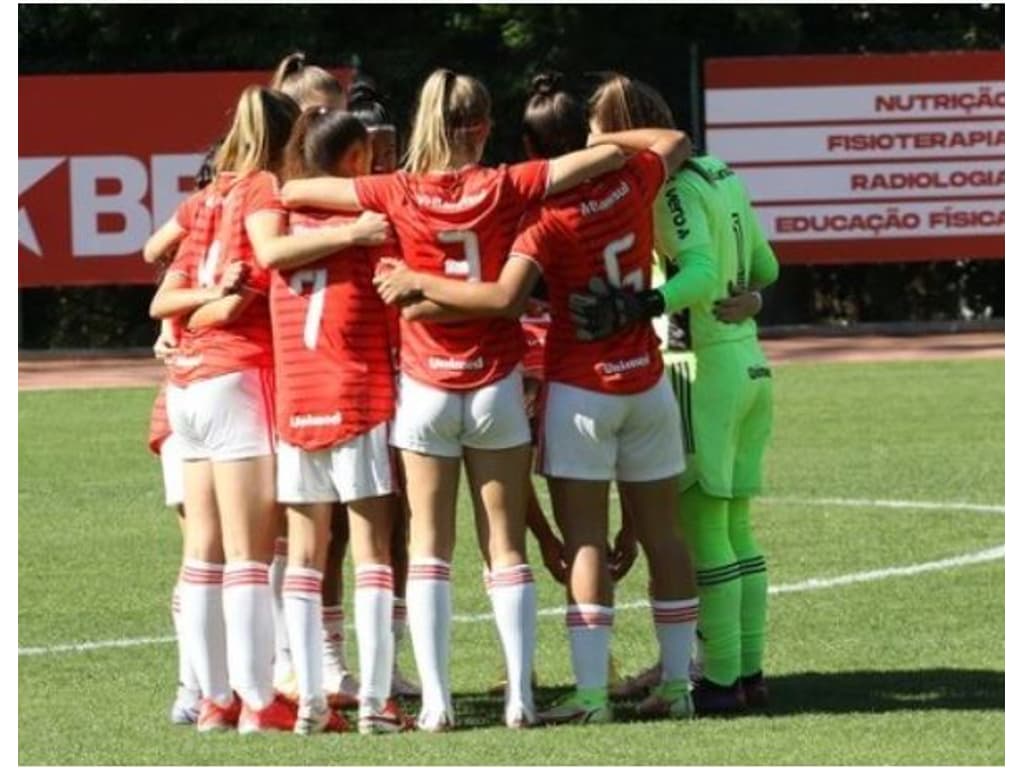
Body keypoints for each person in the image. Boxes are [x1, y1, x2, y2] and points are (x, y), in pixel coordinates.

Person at [281, 68, 626, 731]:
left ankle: (437, 703)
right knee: (505, 548)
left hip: (426, 387)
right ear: (483, 126)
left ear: (425, 126)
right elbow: (606, 156)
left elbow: (299, 187)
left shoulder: (395, 189)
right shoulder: (504, 184)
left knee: (431, 550)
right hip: (495, 379)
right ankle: (520, 699)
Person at [370, 73, 697, 725]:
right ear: (586, 138)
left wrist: (415, 284)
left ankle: (591, 697)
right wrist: (610, 141)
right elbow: (675, 140)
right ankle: (681, 685)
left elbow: (501, 298)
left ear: (533, 149)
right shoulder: (636, 183)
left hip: (580, 386)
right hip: (648, 380)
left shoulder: (541, 218)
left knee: (581, 542)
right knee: (665, 536)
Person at [570, 74, 778, 714]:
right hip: (748, 363)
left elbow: (702, 273)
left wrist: (643, 305)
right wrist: (754, 300)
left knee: (700, 528)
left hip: (701, 369)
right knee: (736, 526)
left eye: (596, 129)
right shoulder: (721, 171)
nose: (589, 142)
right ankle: (744, 672)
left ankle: (715, 681)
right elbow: (762, 268)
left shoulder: (670, 187)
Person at [149, 85, 300, 733]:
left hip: (187, 384)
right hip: (238, 377)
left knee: (204, 553)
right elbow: (265, 260)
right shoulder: (263, 189)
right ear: (288, 140)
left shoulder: (208, 198)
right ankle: (257, 701)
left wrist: (212, 296)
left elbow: (164, 302)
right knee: (248, 554)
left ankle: (213, 700)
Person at [268, 52, 357, 704]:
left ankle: (326, 659)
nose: (336, 121)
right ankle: (287, 660)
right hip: (277, 375)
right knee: (290, 529)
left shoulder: (331, 186)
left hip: (335, 375)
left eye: (340, 109)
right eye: (322, 112)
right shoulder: (267, 185)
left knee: (339, 531)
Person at [345, 75, 421, 698]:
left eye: (390, 147)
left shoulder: (412, 199)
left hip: (413, 377)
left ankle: (388, 661)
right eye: (371, 148)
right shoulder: (328, 209)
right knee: (336, 527)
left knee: (401, 523)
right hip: (350, 387)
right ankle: (319, 659)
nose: (382, 159)